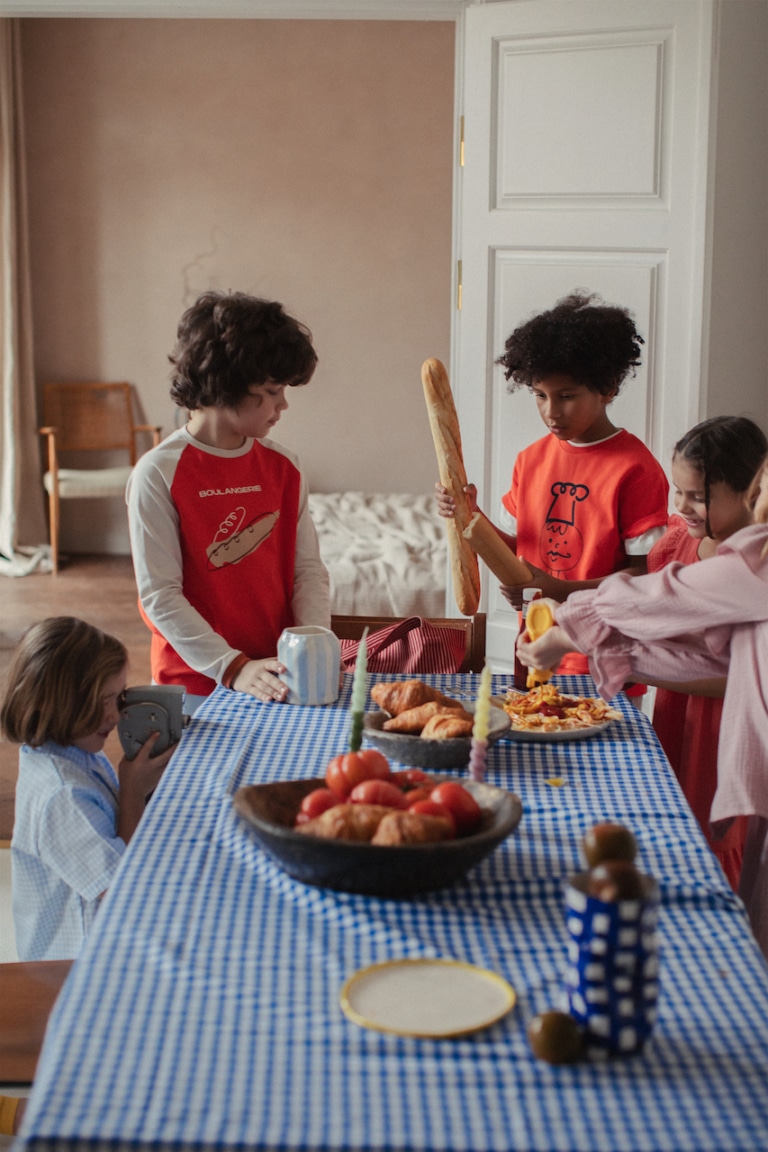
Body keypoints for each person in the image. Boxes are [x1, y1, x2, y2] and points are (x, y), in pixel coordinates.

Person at [516, 456, 768, 958]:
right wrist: (588, 648)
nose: (757, 508)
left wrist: (569, 624)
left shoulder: (757, 563)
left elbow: (659, 598)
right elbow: (704, 654)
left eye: (761, 492)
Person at [436, 291, 669, 680]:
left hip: (600, 657)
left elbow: (645, 578)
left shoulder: (636, 469)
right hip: (532, 648)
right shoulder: (529, 460)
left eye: (566, 397)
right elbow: (517, 552)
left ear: (608, 387)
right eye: (540, 396)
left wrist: (556, 589)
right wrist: (469, 515)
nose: (550, 412)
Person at [126, 291, 331, 711]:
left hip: (277, 675)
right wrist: (233, 668)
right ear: (229, 384)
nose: (283, 404)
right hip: (195, 684)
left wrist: (311, 649)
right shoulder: (157, 473)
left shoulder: (285, 467)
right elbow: (161, 597)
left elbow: (307, 571)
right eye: (273, 391)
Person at [0, 617, 173, 962]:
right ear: (49, 704)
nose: (116, 715)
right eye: (102, 700)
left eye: (119, 697)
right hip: (77, 964)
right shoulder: (62, 794)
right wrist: (133, 791)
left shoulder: (68, 752)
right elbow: (123, 896)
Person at [644, 417, 767, 889]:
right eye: (679, 491)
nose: (681, 506)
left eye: (697, 495)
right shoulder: (680, 544)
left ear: (750, 490)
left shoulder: (757, 567)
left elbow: (736, 673)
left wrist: (648, 667)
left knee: (721, 847)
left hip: (730, 730)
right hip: (680, 717)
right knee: (677, 830)